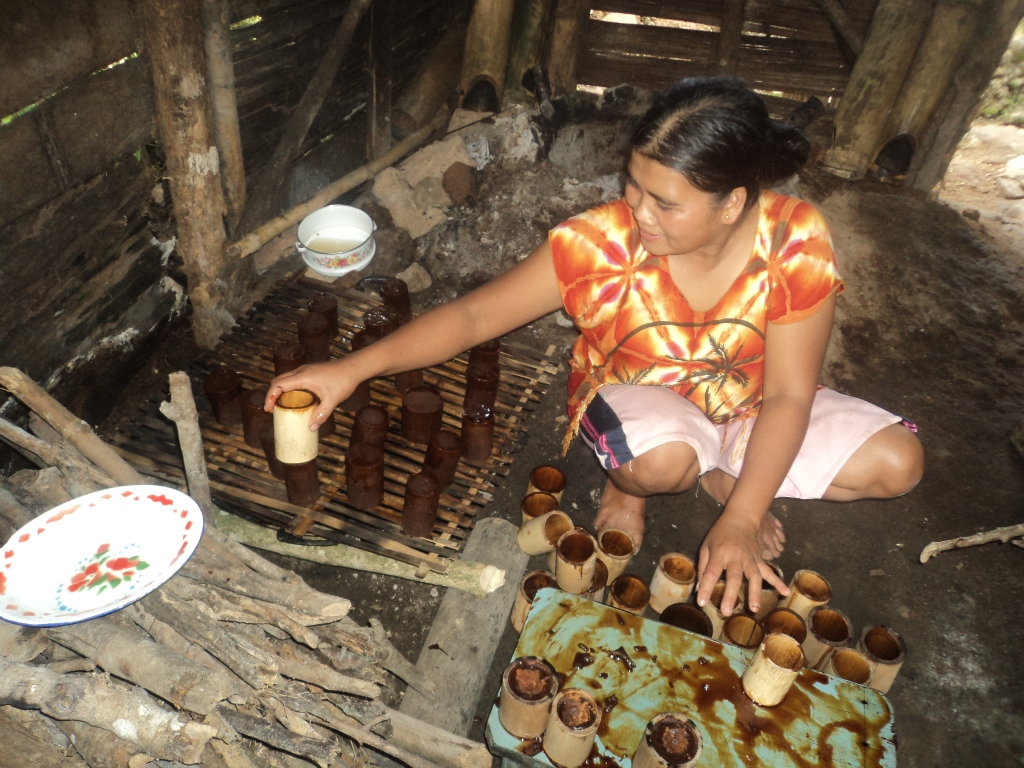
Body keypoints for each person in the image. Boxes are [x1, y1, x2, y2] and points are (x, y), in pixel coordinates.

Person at [265, 75, 924, 619]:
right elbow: (472, 316)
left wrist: (747, 514)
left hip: (753, 404)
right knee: (659, 465)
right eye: (632, 186)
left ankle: (728, 476)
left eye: (665, 203)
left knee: (898, 464)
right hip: (644, 403)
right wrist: (350, 369)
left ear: (733, 205)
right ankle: (633, 485)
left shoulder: (795, 238)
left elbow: (787, 392)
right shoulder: (597, 245)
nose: (638, 212)